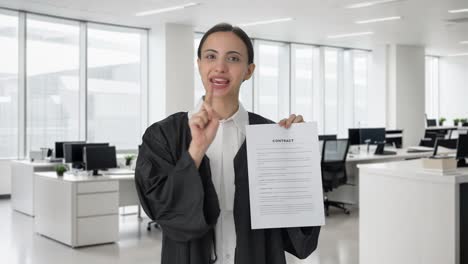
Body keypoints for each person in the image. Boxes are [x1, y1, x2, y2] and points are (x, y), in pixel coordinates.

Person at [135, 22, 321, 264]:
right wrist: (196, 151)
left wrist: (299, 156)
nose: (220, 67)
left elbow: (299, 228)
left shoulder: (270, 136)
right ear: (199, 64)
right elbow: (160, 209)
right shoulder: (163, 135)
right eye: (211, 56)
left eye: (233, 58)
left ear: (249, 70)